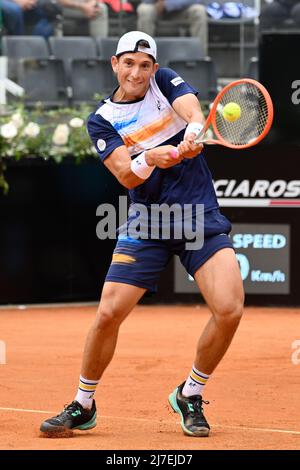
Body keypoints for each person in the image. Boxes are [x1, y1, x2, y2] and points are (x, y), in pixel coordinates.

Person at [40, 31, 244, 438]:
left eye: (144, 64)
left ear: (153, 67)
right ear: (114, 64)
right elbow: (123, 172)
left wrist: (192, 130)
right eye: (129, 63)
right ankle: (83, 404)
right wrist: (150, 157)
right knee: (108, 313)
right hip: (147, 221)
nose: (137, 71)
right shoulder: (102, 119)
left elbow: (191, 109)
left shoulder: (164, 82)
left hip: (197, 213)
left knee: (230, 308)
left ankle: (190, 393)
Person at [137, 0, 208, 55]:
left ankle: (200, 56)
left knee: (199, 10)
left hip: (181, 10)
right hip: (156, 7)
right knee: (145, 10)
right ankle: (145, 55)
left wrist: (167, 4)